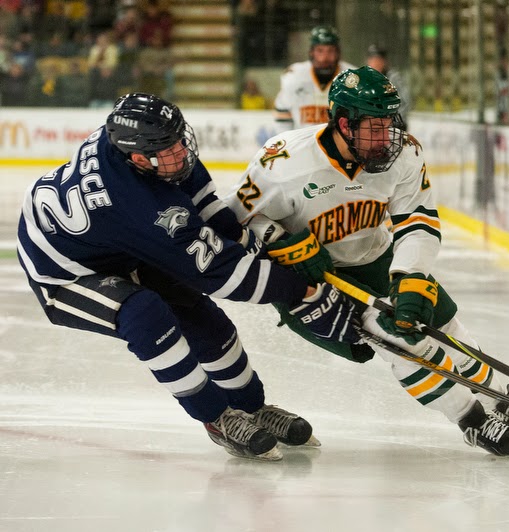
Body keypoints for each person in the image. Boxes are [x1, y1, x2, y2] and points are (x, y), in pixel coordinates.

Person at [224, 67, 509, 458]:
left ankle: (500, 399)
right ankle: (471, 419)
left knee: (446, 324)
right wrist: (280, 241)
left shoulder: (404, 154)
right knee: (401, 341)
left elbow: (417, 219)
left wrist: (410, 276)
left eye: (389, 123)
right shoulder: (282, 162)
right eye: (374, 127)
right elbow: (232, 220)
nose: (386, 137)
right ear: (343, 123)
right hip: (316, 281)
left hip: (376, 257)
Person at [16, 93, 361, 462]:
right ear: (137, 158)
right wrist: (301, 290)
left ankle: (251, 406)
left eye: (181, 137)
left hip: (115, 243)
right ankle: (216, 418)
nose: (181, 151)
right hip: (62, 272)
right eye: (169, 149)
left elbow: (205, 208)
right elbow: (223, 275)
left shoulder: (139, 149)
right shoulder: (141, 205)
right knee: (145, 315)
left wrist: (253, 245)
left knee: (198, 315)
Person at [272, 25, 355, 133]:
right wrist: (288, 143)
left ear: (338, 53)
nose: (325, 58)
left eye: (330, 51)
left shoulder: (352, 78)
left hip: (340, 147)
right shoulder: (294, 76)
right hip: (303, 145)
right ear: (311, 52)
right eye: (320, 51)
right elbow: (282, 116)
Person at [365, 44, 411, 127]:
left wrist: (393, 120)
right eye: (373, 60)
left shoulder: (393, 78)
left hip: (394, 126)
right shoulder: (364, 79)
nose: (376, 63)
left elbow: (405, 102)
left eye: (379, 60)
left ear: (385, 62)